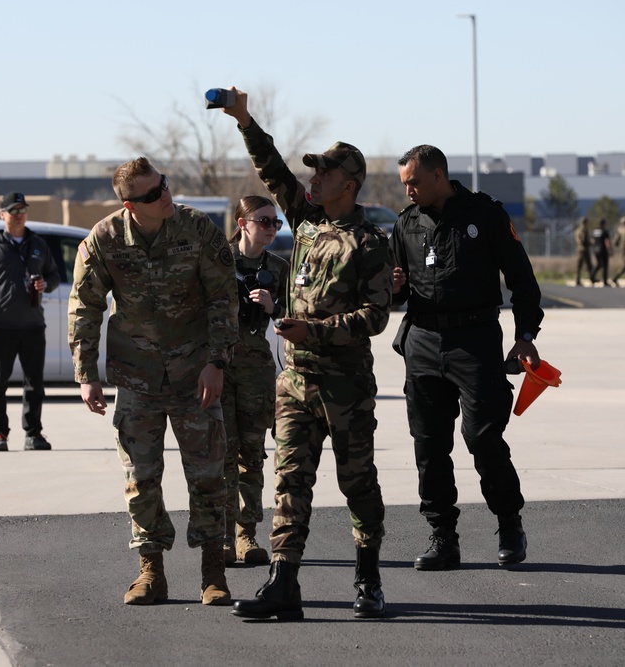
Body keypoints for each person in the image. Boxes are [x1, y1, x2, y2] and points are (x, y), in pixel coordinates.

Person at [217, 88, 394, 620]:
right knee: (290, 479)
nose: (313, 179)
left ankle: (368, 577)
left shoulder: (368, 241)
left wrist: (312, 330)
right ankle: (283, 583)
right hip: (295, 382)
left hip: (344, 384)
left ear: (350, 183)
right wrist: (244, 119)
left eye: (324, 173)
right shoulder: (307, 219)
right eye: (313, 172)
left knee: (356, 482)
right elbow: (271, 170)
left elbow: (376, 316)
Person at [67, 158, 239, 607]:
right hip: (137, 377)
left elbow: (224, 298)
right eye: (150, 194)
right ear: (130, 204)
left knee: (207, 476)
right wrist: (86, 375)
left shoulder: (198, 230)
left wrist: (217, 362)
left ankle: (213, 573)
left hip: (194, 374)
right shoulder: (104, 238)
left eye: (163, 185)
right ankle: (150, 573)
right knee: (141, 478)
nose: (164, 195)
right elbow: (85, 305)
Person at [390, 145, 544, 572]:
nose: (409, 191)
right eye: (404, 183)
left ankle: (509, 523)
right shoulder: (405, 225)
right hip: (421, 339)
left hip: (474, 339)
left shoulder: (485, 215)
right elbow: (395, 293)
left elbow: (522, 280)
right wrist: (393, 286)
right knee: (429, 443)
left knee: (482, 436)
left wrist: (526, 335)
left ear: (439, 175)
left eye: (415, 182)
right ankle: (443, 537)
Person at [222, 195, 289, 566]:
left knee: (252, 454)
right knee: (223, 455)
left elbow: (293, 316)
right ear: (242, 222)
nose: (270, 229)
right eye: (263, 221)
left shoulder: (278, 267)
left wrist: (273, 307)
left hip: (256, 370)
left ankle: (246, 534)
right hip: (218, 367)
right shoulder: (218, 260)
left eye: (274, 223)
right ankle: (223, 537)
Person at [0, 192, 60, 452]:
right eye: (13, 210)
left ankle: (34, 434)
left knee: (35, 385)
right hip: (1, 327)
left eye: (23, 210)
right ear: (2, 215)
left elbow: (54, 275)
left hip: (33, 326)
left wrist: (47, 284)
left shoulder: (38, 244)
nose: (19, 214)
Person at [589, 218, 613, 286]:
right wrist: (610, 250)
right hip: (602, 250)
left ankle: (592, 276)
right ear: (603, 224)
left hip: (596, 250)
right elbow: (606, 242)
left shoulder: (595, 231)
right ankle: (605, 280)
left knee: (599, 264)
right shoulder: (604, 231)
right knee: (605, 265)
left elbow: (592, 241)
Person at [573, 217, 593, 286]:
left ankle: (577, 279)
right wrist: (590, 242)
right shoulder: (584, 230)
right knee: (589, 265)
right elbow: (584, 240)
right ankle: (592, 278)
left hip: (579, 249)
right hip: (584, 249)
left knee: (579, 265)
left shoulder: (577, 230)